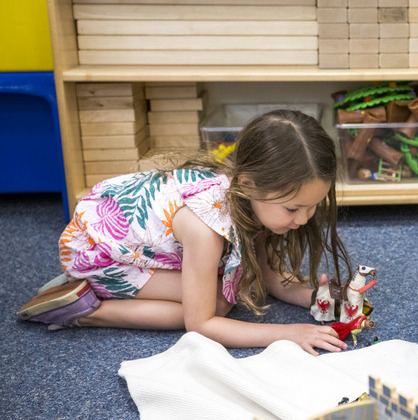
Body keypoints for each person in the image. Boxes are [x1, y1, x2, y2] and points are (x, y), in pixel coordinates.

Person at [17, 109, 353, 356]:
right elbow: (201, 324)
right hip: (99, 251)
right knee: (218, 306)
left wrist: (312, 297)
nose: (305, 219)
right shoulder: (205, 229)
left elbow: (268, 274)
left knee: (239, 281)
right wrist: (286, 334)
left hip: (136, 241)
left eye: (313, 206)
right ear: (249, 184)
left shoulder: (252, 194)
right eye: (294, 209)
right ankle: (86, 310)